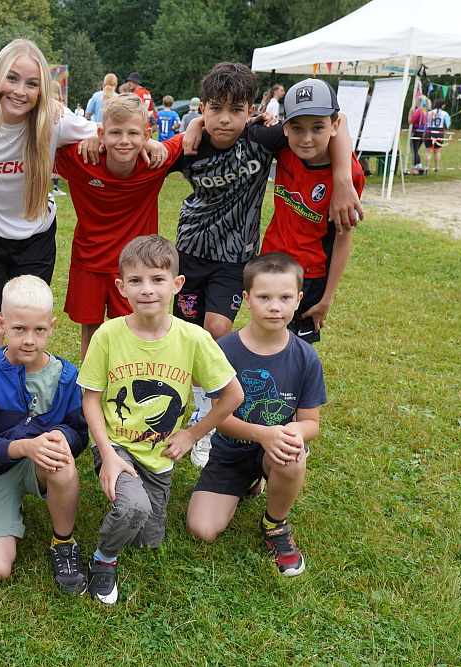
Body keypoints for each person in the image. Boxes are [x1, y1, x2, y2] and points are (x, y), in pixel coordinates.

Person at [172, 63, 359, 468]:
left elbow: (337, 124)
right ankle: (204, 412)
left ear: (252, 109)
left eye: (236, 109)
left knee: (236, 336)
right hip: (218, 257)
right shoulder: (211, 143)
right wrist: (192, 126)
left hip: (257, 263)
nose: (225, 119)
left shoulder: (265, 139)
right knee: (196, 337)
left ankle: (268, 427)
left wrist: (343, 177)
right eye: (215, 109)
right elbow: (156, 152)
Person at [78, 235, 244, 604]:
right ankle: (103, 559)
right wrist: (107, 455)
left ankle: (130, 498)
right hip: (117, 445)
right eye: (135, 281)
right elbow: (90, 399)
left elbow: (233, 395)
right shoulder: (108, 335)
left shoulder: (194, 338)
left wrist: (192, 434)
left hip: (159, 455)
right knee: (133, 508)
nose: (147, 290)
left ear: (177, 284)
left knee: (148, 541)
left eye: (157, 279)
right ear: (121, 287)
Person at [0, 38, 99, 361]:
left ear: (42, 91)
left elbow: (114, 132)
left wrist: (176, 136)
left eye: (32, 84)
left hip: (35, 238)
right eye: (12, 78)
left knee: (27, 329)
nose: (20, 91)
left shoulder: (54, 121)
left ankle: (26, 391)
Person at [186, 252, 326, 578]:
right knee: (202, 529)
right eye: (264, 297)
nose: (275, 307)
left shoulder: (306, 357)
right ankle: (245, 483)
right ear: (246, 299)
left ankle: (275, 524)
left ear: (298, 300)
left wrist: (292, 434)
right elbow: (218, 417)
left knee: (293, 455)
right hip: (230, 453)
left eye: (285, 298)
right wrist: (262, 433)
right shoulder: (224, 350)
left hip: (275, 449)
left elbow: (310, 423)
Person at [0, 275, 89, 592]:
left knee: (62, 461)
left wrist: (62, 437)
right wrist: (25, 447)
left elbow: (79, 433)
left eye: (39, 330)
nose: (29, 340)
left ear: (52, 327)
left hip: (42, 466)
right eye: (19, 329)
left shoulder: (67, 376)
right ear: (1, 324)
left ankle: (63, 542)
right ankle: (3, 505)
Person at [53, 93, 185, 359]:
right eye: (115, 133)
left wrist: (192, 126)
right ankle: (92, 383)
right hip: (89, 261)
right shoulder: (82, 158)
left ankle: (130, 381)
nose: (124, 141)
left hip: (136, 267)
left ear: (146, 134)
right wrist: (82, 132)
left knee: (134, 332)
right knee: (91, 333)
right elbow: (39, 140)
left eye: (133, 133)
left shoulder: (156, 161)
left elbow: (197, 132)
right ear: (102, 134)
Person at [260, 78, 365, 345]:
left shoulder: (348, 177)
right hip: (269, 263)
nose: (306, 139)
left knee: (297, 351)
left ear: (334, 127)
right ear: (285, 127)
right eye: (297, 128)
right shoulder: (285, 149)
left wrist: (327, 299)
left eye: (318, 127)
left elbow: (343, 238)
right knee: (266, 339)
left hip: (309, 277)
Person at [424, 99, 450, 173]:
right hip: (439, 131)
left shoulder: (429, 113)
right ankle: (436, 167)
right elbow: (448, 124)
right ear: (442, 105)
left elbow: (426, 121)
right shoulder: (445, 113)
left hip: (430, 131)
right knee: (437, 151)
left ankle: (426, 167)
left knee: (428, 151)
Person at [408, 96, 428, 173]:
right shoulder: (425, 110)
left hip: (416, 131)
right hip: (424, 131)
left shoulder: (418, 110)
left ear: (419, 102)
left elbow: (411, 121)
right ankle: (418, 165)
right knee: (416, 150)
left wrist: (410, 113)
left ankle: (415, 166)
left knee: (414, 150)